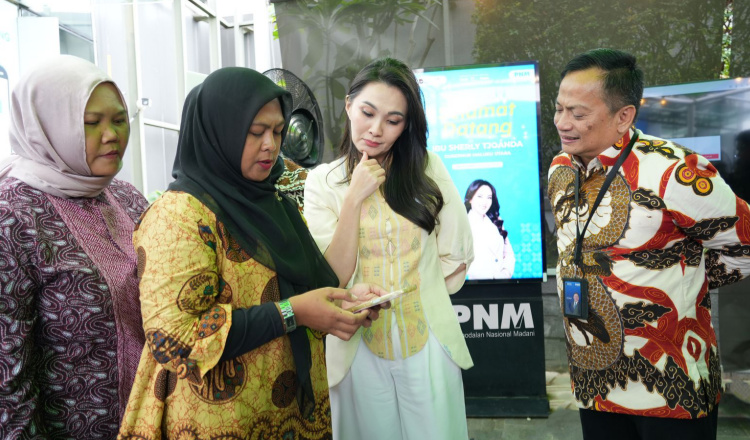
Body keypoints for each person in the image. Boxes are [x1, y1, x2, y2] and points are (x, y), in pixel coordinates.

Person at [118, 67, 387, 439]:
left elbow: (304, 286)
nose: (271, 145)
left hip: (288, 413)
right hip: (218, 422)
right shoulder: (179, 215)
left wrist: (346, 301)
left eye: (277, 131)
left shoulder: (273, 204)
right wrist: (294, 312)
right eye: (255, 131)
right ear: (219, 133)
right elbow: (175, 339)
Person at [548, 48, 750, 440]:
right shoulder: (561, 168)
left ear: (623, 116)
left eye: (577, 113)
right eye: (559, 109)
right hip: (594, 384)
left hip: (672, 389)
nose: (563, 123)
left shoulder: (675, 170)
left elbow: (744, 240)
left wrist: (686, 279)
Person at [304, 57, 474, 440]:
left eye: (393, 120)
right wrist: (354, 198)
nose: (376, 130)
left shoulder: (428, 168)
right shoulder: (322, 182)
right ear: (349, 105)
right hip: (355, 347)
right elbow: (331, 277)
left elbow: (456, 252)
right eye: (368, 113)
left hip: (428, 340)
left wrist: (423, 290)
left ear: (406, 125)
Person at [0, 55, 148, 438]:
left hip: (151, 421)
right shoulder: (12, 215)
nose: (112, 135)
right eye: (91, 122)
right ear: (47, 126)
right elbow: (7, 371)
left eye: (119, 119)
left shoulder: (127, 198)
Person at [464, 179, 515, 279]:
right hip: (475, 283)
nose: (484, 202)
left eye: (489, 197)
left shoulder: (496, 221)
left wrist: (505, 274)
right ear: (470, 199)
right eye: (480, 196)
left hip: (501, 281)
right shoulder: (463, 223)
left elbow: (508, 253)